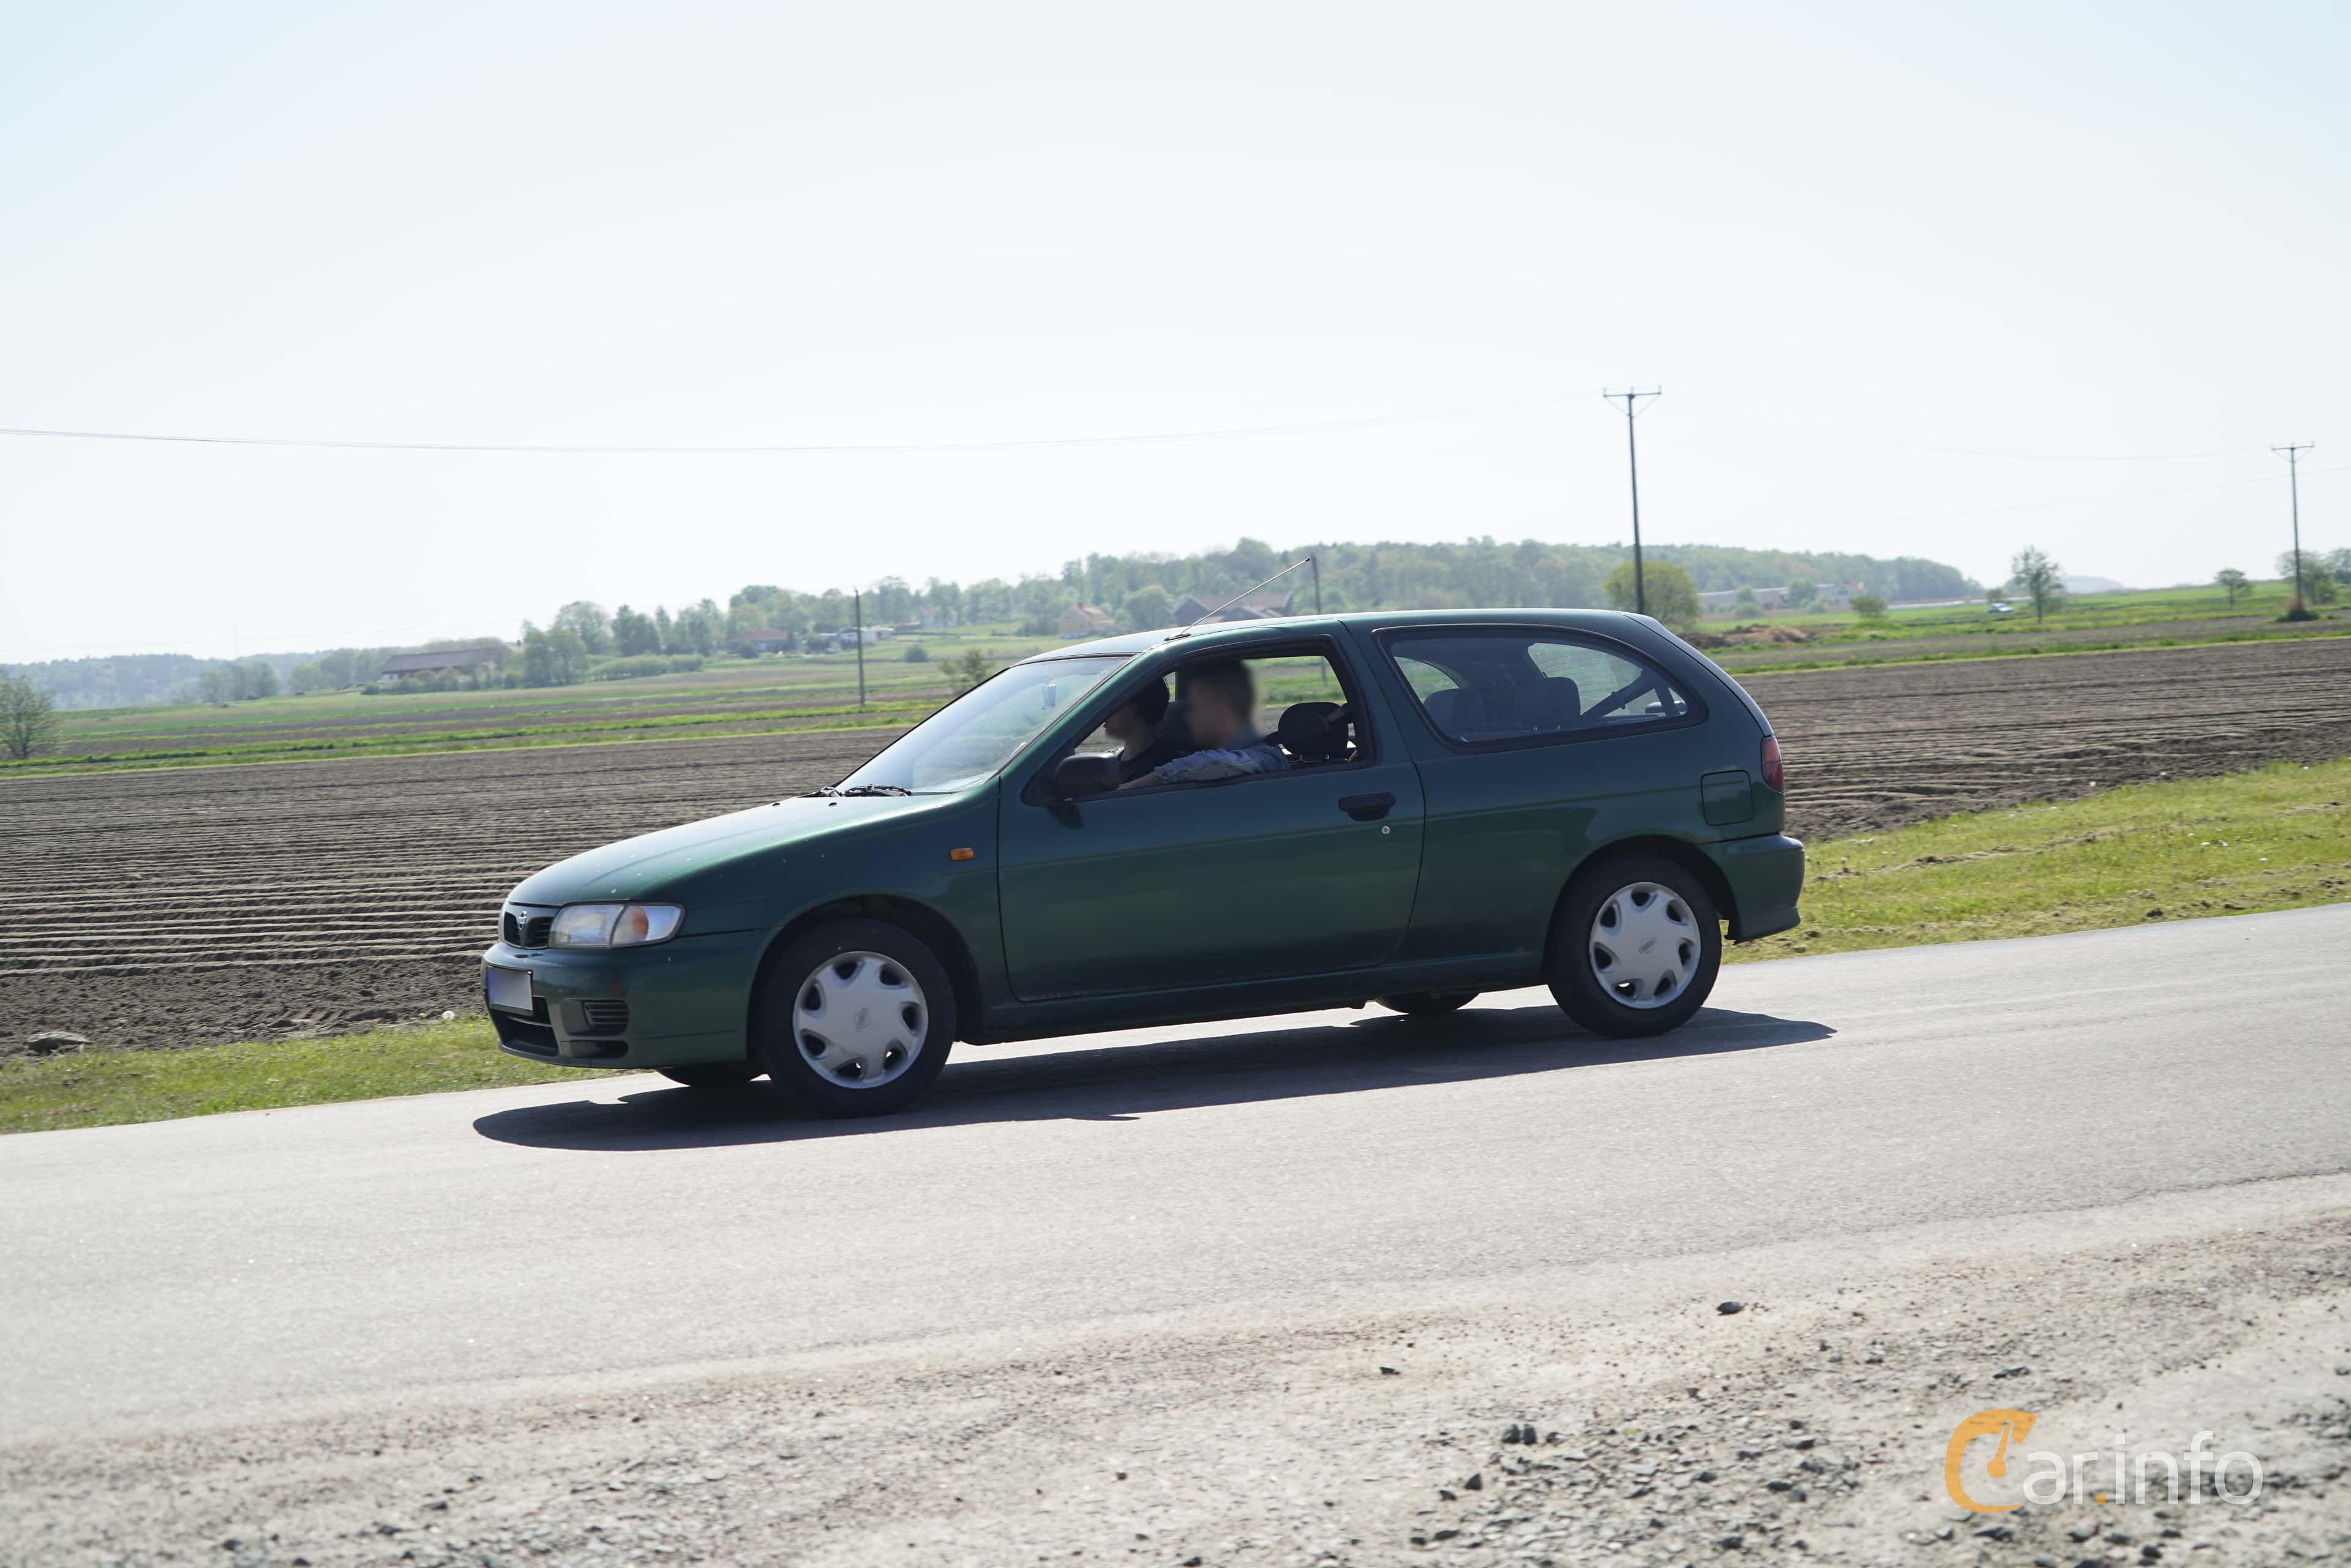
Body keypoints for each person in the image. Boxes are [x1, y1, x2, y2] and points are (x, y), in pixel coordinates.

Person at [1123, 659, 1288, 787]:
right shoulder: (1184, 755)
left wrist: (1133, 787)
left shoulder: (1266, 757)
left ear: (1220, 710)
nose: (1185, 717)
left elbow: (1216, 764)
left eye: (1193, 707)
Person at [1101, 675, 1182, 782]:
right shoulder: (1115, 757)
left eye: (1114, 705)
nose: (1105, 713)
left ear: (1137, 707)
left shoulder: (1161, 766)